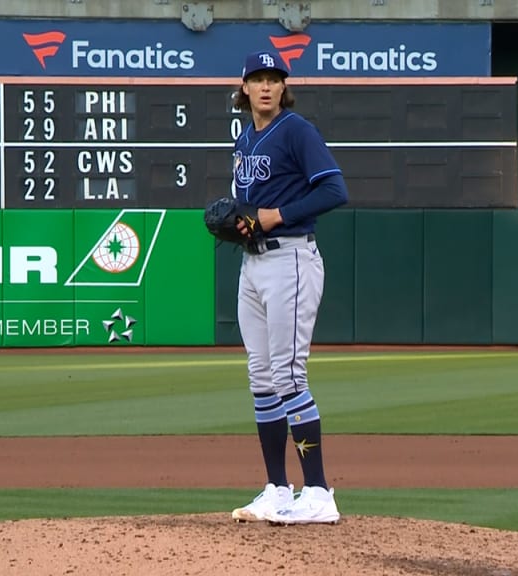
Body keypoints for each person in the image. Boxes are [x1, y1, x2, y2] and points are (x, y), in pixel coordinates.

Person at [228, 50, 348, 525]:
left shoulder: (297, 130)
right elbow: (249, 206)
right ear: (244, 88)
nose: (264, 87)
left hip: (292, 258)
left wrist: (276, 215)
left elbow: (334, 190)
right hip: (253, 265)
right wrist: (240, 222)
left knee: (289, 376)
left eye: (273, 79)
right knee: (261, 379)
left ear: (283, 88)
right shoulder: (244, 139)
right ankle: (278, 489)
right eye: (256, 78)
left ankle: (318, 492)